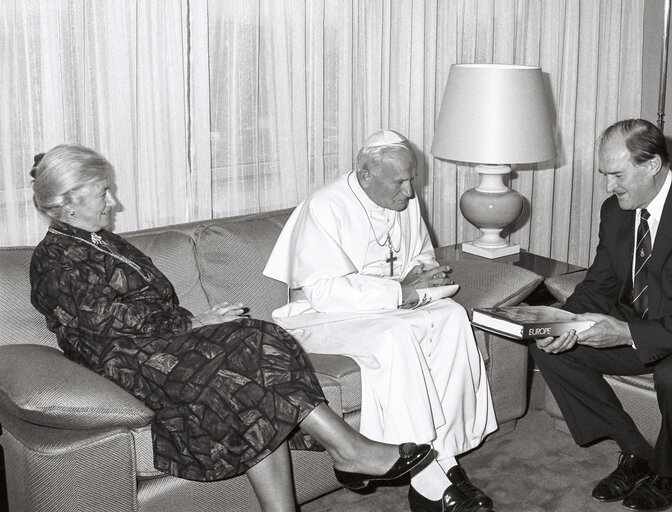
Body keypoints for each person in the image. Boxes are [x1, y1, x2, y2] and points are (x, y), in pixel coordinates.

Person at [28, 144, 432, 512]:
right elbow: (108, 324)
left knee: (257, 349)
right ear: (68, 204)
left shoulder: (101, 241)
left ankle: (312, 484)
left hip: (161, 346)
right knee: (247, 357)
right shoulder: (54, 259)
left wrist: (196, 323)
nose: (112, 202)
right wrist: (194, 321)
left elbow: (149, 307)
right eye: (103, 193)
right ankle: (349, 449)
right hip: (127, 365)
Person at [530, 119, 672, 511]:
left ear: (652, 165)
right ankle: (637, 452)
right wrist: (561, 323)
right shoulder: (615, 211)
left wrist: (626, 334)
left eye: (617, 175)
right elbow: (600, 283)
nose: (609, 187)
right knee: (548, 347)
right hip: (643, 322)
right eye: (605, 175)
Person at [264, 130, 497, 512]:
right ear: (366, 173)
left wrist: (426, 280)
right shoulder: (326, 205)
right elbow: (322, 291)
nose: (409, 191)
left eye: (412, 179)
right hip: (320, 316)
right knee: (397, 336)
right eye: (400, 181)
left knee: (453, 317)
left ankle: (444, 456)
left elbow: (422, 258)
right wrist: (399, 292)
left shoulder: (404, 200)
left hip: (387, 305)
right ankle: (429, 481)